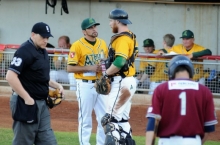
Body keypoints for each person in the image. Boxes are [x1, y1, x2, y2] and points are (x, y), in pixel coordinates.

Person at [6, 22, 64, 145]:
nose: (45, 40)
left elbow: (42, 77)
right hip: (25, 104)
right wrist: (27, 98)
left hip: (42, 104)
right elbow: (10, 76)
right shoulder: (24, 50)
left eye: (47, 37)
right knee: (23, 142)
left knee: (49, 142)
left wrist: (57, 86)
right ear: (33, 34)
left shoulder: (43, 51)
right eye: (43, 37)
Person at [145, 55, 218, 145]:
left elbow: (152, 122)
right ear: (191, 70)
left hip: (167, 141)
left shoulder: (161, 89)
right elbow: (209, 126)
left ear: (171, 70)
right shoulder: (205, 91)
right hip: (193, 141)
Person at [67, 18, 108, 145]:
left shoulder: (102, 43)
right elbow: (69, 68)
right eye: (90, 27)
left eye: (95, 26)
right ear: (84, 31)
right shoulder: (77, 45)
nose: (94, 29)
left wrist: (105, 68)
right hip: (85, 85)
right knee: (85, 119)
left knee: (104, 118)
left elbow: (105, 63)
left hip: (100, 83)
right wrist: (89, 67)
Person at [101, 8, 138, 144]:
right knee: (122, 120)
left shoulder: (122, 38)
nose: (110, 24)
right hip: (129, 81)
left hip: (121, 82)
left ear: (118, 21)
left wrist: (106, 74)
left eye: (111, 21)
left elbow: (120, 61)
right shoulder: (131, 35)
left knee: (109, 120)